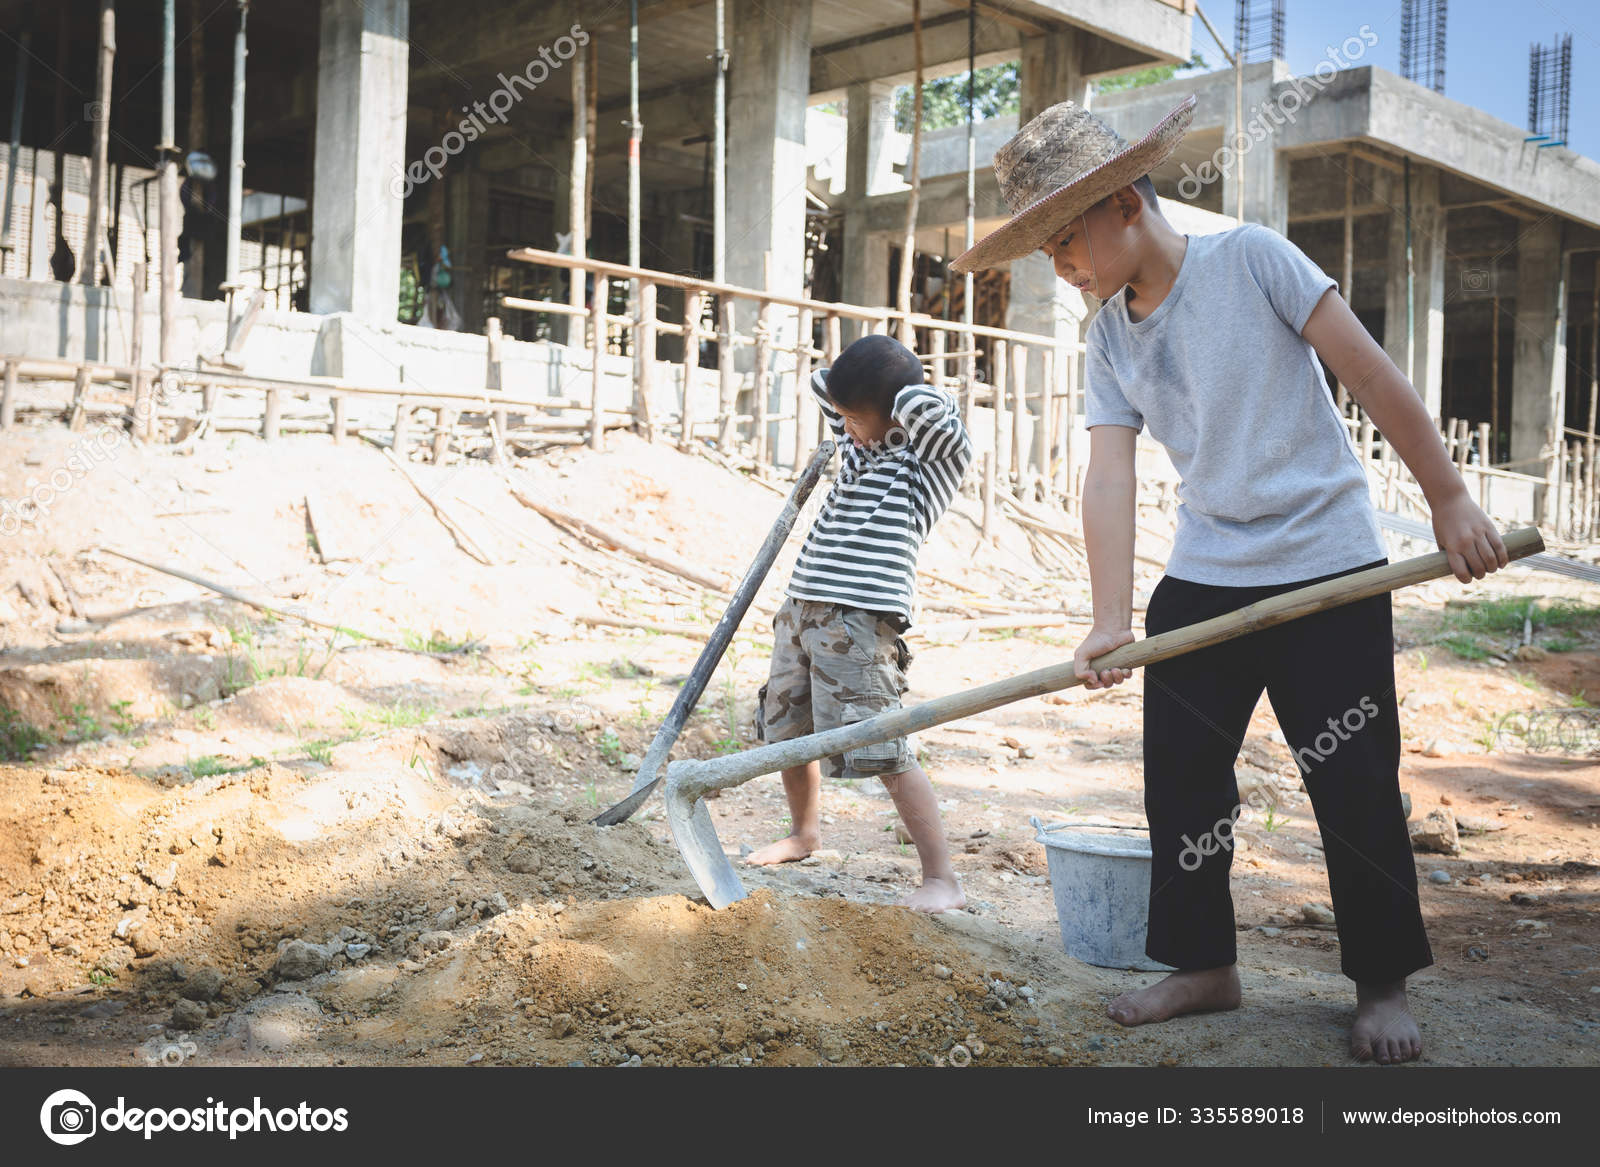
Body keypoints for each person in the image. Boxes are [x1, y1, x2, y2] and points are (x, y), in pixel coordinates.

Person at [951, 96, 1507, 1062]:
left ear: (1125, 202)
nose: (1059, 266)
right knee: (1180, 770)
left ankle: (1380, 980)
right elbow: (1110, 470)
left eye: (1065, 238)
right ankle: (1205, 963)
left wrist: (1450, 499)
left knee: (1352, 775)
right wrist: (1111, 617)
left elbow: (1372, 377)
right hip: (1208, 571)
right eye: (1043, 249)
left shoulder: (1254, 259)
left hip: (1326, 561)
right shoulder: (1110, 338)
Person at [744, 333, 974, 913]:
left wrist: (900, 398)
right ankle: (804, 835)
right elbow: (825, 381)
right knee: (786, 731)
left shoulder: (929, 466)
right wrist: (858, 409)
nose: (844, 430)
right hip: (802, 607)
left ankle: (941, 877)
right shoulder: (860, 446)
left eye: (853, 419)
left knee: (881, 745)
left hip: (860, 620)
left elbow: (934, 416)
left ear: (894, 410)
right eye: (842, 419)